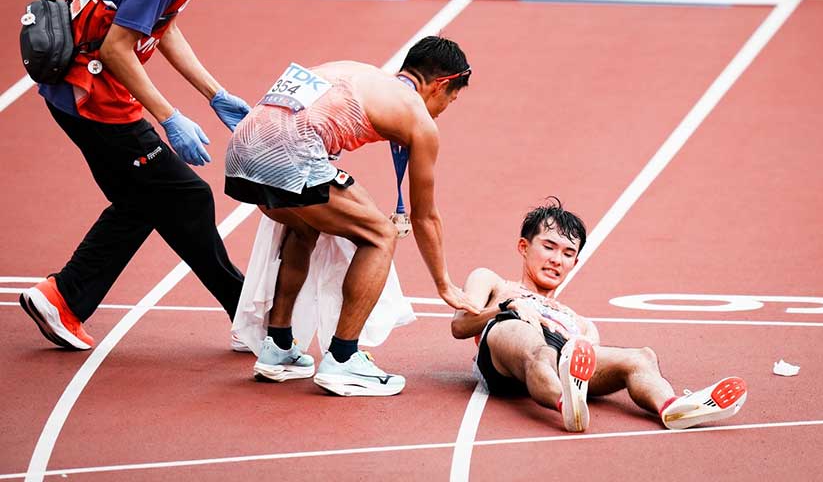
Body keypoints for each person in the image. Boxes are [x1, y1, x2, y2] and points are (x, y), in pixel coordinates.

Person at [19, 0, 273, 351]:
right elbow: (118, 49)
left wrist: (215, 93)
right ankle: (250, 318)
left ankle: (64, 298)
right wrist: (171, 118)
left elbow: (163, 26)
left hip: (76, 94)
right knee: (187, 196)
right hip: (95, 100)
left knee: (145, 201)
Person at [224, 35, 482, 396]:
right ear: (440, 85)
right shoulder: (418, 118)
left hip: (240, 149)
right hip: (289, 151)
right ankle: (343, 359)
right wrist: (444, 284)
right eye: (450, 101)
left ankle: (278, 348)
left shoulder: (360, 72)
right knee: (379, 234)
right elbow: (425, 217)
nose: (442, 111)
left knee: (308, 225)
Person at [451, 199, 748, 432]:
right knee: (537, 348)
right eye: (549, 247)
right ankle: (565, 403)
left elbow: (586, 357)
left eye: (568, 254)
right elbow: (460, 325)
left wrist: (578, 345)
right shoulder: (493, 282)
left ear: (575, 262)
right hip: (507, 343)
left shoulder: (577, 321)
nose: (557, 259)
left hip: (561, 353)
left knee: (641, 357)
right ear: (523, 247)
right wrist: (507, 306)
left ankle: (671, 407)